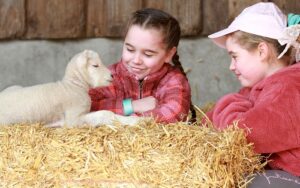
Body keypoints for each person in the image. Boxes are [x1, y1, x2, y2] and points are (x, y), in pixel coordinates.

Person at [207, 2, 300, 187]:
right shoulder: (263, 87)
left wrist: (230, 102)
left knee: (247, 183)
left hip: (293, 176)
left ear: (261, 51)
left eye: (234, 56)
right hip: (281, 174)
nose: (231, 66)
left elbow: (243, 135)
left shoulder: (288, 87)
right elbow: (210, 123)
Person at [89, 8, 196, 123]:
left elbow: (174, 114)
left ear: (168, 54)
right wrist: (132, 106)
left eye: (148, 54)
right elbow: (83, 107)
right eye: (130, 49)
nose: (136, 60)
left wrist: (125, 120)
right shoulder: (109, 76)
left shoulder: (174, 81)